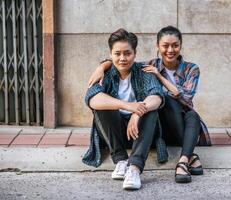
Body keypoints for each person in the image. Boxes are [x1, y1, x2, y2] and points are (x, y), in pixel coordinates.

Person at [88, 26, 211, 183]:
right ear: (158, 46)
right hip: (157, 124)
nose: (170, 50)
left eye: (175, 45)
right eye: (165, 45)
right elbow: (122, 59)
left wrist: (158, 76)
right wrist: (102, 66)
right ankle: (189, 156)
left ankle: (184, 160)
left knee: (186, 111)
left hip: (179, 122)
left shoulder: (190, 69)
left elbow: (183, 96)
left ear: (180, 45)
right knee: (152, 104)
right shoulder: (148, 65)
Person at [84, 28, 164, 190]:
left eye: (127, 53)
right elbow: (92, 98)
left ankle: (134, 168)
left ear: (135, 53)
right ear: (110, 54)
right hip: (116, 134)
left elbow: (157, 96)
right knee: (102, 106)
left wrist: (137, 112)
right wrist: (127, 105)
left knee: (150, 110)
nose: (122, 58)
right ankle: (120, 160)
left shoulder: (144, 72)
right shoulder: (105, 74)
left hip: (140, 132)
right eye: (117, 53)